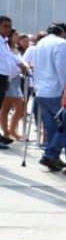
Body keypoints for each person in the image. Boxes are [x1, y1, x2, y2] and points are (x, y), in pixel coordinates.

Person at [31, 22, 66, 171]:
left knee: (52, 127)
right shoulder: (61, 44)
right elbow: (63, 68)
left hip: (41, 90)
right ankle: (49, 155)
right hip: (56, 90)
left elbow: (35, 66)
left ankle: (54, 157)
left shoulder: (40, 42)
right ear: (62, 33)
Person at [0, 17, 20, 146]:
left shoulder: (5, 42)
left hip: (4, 77)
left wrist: (21, 64)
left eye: (9, 27)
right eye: (5, 26)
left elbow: (9, 59)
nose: (8, 29)